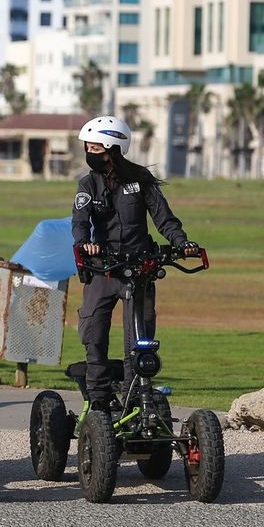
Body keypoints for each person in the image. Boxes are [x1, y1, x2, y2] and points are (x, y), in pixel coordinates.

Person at [71, 115, 198, 417]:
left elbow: (164, 218)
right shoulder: (88, 183)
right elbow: (80, 222)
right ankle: (99, 401)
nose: (89, 153)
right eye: (87, 147)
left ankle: (134, 399)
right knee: (94, 335)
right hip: (103, 270)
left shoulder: (140, 180)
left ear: (113, 149)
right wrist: (84, 243)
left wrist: (182, 242)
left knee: (139, 342)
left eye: (95, 148)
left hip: (139, 270)